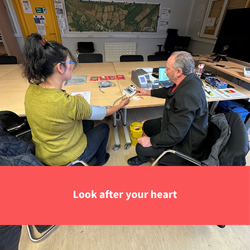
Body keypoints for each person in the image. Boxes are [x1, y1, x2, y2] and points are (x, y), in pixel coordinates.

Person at [23, 33, 129, 166]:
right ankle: (100, 161)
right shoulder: (69, 103)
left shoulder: (31, 90)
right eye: (70, 62)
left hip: (44, 152)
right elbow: (104, 112)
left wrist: (75, 103)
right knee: (103, 128)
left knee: (88, 123)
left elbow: (56, 106)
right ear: (60, 68)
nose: (72, 66)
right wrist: (120, 105)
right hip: (66, 158)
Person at [127, 51, 208, 166]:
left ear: (179, 72)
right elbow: (170, 91)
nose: (165, 71)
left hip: (185, 145)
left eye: (167, 68)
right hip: (179, 128)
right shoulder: (189, 79)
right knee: (147, 125)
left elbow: (175, 135)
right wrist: (148, 92)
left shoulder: (186, 97)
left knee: (141, 147)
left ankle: (145, 157)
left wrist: (151, 141)